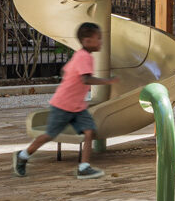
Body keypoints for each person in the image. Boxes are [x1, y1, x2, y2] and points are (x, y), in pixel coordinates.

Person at [13, 22, 115, 180]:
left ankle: (84, 167)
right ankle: (23, 155)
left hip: (77, 106)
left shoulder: (81, 56)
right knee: (49, 135)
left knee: (89, 132)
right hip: (64, 105)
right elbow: (85, 79)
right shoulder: (84, 56)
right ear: (87, 41)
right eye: (98, 38)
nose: (101, 42)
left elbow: (66, 70)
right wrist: (107, 81)